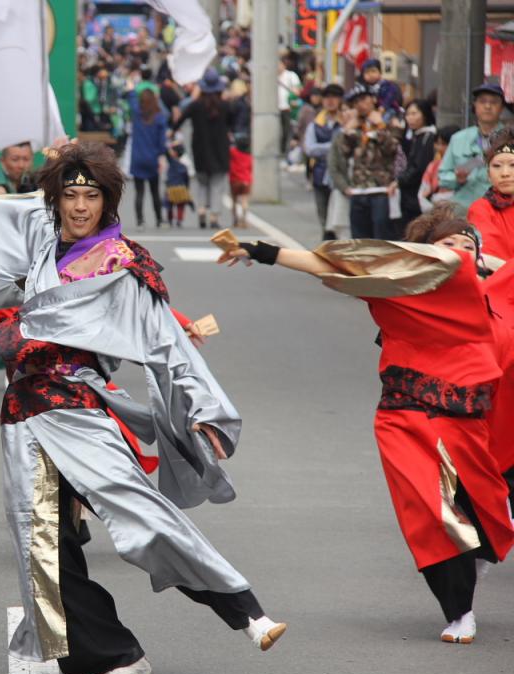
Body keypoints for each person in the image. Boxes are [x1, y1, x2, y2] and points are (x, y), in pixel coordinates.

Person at [0, 141, 287, 674]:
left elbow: (164, 339)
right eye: (70, 194)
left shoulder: (124, 264)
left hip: (76, 408)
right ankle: (110, 654)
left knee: (140, 514)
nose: (80, 206)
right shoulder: (39, 248)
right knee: (42, 544)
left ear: (108, 201)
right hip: (23, 414)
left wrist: (203, 411)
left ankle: (244, 609)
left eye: (92, 195)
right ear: (54, 200)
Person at [219, 207, 514, 645]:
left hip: (467, 421)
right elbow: (333, 265)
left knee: (484, 512)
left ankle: (479, 554)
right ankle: (460, 611)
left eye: (467, 246)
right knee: (432, 516)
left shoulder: (492, 295)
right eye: (447, 244)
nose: (457, 253)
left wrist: (479, 260)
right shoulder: (396, 287)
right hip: (405, 415)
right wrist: (265, 252)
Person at [333, 86, 401, 239]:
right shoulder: (356, 125)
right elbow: (343, 153)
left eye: (363, 99)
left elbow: (393, 149)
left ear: (373, 99)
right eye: (355, 102)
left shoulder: (390, 120)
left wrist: (381, 126)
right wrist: (347, 130)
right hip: (358, 190)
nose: (360, 104)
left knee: (381, 238)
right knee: (360, 240)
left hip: (381, 189)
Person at [173, 68, 232, 229]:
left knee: (201, 182)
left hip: (200, 149)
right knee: (217, 184)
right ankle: (214, 216)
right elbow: (233, 124)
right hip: (220, 150)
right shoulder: (225, 106)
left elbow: (179, 120)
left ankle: (201, 212)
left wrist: (172, 132)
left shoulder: (195, 105)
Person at [439, 83, 507, 211]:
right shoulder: (458, 139)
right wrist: (457, 178)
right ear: (475, 105)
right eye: (482, 101)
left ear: (502, 108)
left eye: (494, 102)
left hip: (500, 211)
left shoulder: (510, 139)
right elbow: (443, 176)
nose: (488, 106)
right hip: (463, 212)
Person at [303, 83, 345, 239]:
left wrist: (324, 148)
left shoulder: (346, 120)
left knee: (339, 221)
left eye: (334, 97)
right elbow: (309, 148)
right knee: (324, 218)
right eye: (327, 97)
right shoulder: (316, 123)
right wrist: (334, 146)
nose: (330, 101)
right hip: (320, 176)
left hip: (342, 178)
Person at [126, 87, 168, 228]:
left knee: (139, 191)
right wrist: (161, 156)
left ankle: (140, 221)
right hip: (152, 158)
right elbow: (162, 142)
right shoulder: (159, 117)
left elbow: (131, 100)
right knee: (155, 191)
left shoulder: (137, 114)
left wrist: (131, 90)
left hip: (137, 157)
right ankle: (159, 220)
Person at [468, 131, 514, 260]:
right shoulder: (481, 209)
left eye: (513, 165)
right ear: (488, 175)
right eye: (497, 166)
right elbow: (491, 255)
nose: (505, 173)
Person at [396, 100, 437, 226]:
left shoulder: (428, 137)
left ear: (424, 114)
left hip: (418, 194)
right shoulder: (416, 136)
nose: (410, 118)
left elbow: (419, 167)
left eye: (414, 113)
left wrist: (399, 181)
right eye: (408, 114)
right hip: (410, 194)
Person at [419, 125, 460, 213]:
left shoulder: (465, 167)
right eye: (437, 143)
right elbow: (422, 194)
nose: (439, 148)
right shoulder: (433, 166)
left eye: (444, 144)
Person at [164, 139, 193, 228]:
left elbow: (166, 152)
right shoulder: (184, 165)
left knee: (169, 204)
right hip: (181, 188)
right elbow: (187, 178)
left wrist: (170, 144)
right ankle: (179, 220)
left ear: (175, 153)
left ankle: (170, 220)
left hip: (171, 188)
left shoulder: (172, 162)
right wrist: (187, 188)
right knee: (181, 205)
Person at [277, 59, 301, 156]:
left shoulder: (291, 76)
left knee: (288, 131)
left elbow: (298, 90)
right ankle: (280, 150)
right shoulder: (271, 77)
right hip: (276, 109)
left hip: (288, 108)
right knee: (278, 132)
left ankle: (286, 152)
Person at [229, 135, 252, 229]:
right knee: (244, 200)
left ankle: (235, 220)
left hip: (234, 180)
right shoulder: (249, 156)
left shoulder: (233, 152)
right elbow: (251, 168)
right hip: (246, 180)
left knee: (234, 201)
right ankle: (244, 220)